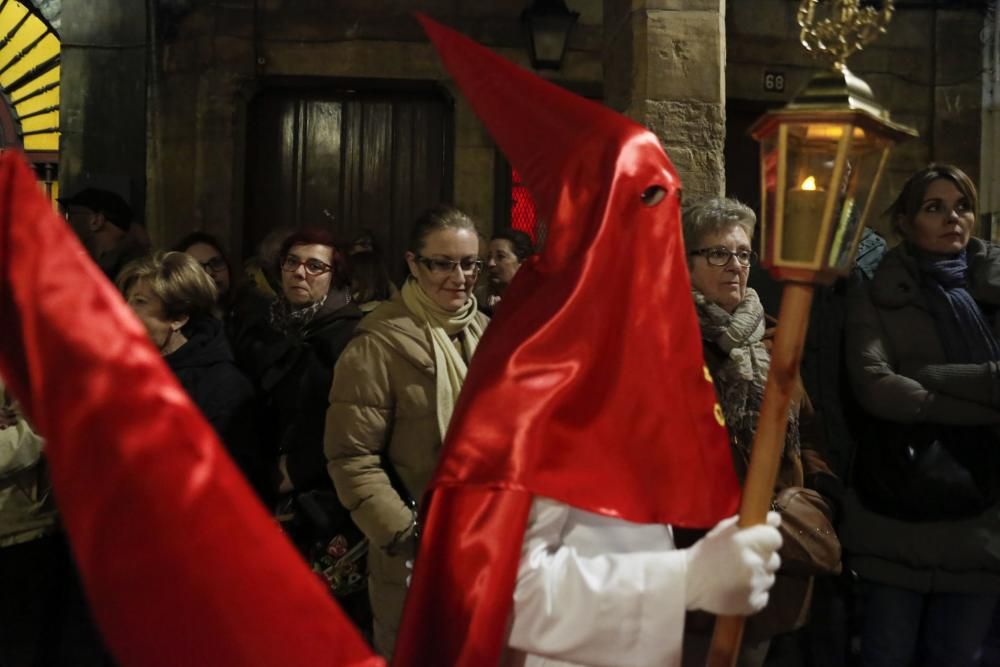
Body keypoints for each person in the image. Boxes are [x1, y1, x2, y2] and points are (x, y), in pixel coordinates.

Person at [393, 17, 782, 667]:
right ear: (601, 226)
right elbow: (498, 589)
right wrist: (684, 580)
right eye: (649, 206)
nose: (666, 244)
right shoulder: (534, 370)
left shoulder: (618, 355)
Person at [844, 163, 1000, 666]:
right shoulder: (880, 291)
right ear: (908, 222)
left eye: (962, 206)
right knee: (886, 653)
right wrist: (984, 402)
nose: (953, 218)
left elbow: (908, 382)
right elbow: (877, 386)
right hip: (898, 516)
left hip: (982, 520)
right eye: (935, 208)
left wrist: (933, 375)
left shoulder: (993, 291)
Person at [679, 197, 840, 665]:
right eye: (717, 254)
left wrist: (816, 494)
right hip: (698, 550)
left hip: (768, 553)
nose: (734, 266)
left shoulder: (772, 339)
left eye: (743, 254)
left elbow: (806, 430)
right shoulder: (670, 341)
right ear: (685, 262)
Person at [325, 205, 490, 658]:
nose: (459, 276)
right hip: (415, 551)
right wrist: (403, 531)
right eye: (442, 263)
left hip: (484, 541)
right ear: (413, 264)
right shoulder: (378, 342)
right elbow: (350, 457)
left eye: (469, 263)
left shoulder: (485, 330)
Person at [117, 252, 263, 495]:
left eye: (139, 302)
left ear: (178, 318)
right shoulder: (124, 373)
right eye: (126, 300)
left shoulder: (223, 386)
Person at [59, 187, 145, 280]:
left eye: (69, 215)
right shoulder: (115, 267)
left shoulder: (130, 273)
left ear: (96, 221)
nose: (64, 222)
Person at [479, 228, 534, 315]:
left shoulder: (535, 300)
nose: (491, 263)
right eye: (489, 257)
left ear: (523, 264)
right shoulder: (479, 297)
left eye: (500, 256)